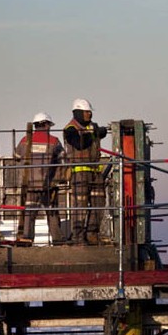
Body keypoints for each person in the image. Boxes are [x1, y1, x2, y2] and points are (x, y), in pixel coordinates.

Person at [15, 112, 66, 244]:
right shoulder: (54, 141)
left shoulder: (24, 140)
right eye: (49, 124)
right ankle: (57, 241)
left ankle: (27, 239)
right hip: (48, 185)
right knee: (52, 214)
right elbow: (63, 159)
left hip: (30, 185)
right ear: (45, 124)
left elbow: (16, 156)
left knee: (29, 215)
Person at [63, 99, 107, 245]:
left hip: (95, 172)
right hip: (79, 173)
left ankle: (92, 234)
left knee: (98, 203)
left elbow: (99, 134)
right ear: (78, 112)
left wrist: (101, 132)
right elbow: (79, 144)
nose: (90, 114)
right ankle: (78, 237)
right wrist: (95, 134)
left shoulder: (93, 126)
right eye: (87, 112)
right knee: (80, 207)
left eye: (90, 112)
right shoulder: (70, 129)